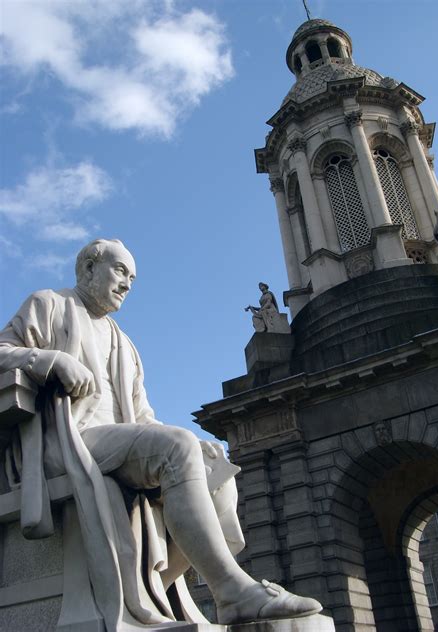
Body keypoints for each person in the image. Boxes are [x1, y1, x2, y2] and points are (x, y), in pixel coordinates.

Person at [0, 239, 322, 630]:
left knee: (218, 471)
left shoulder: (125, 344)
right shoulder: (48, 303)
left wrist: (191, 446)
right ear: (88, 269)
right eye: (120, 271)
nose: (127, 284)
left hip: (117, 444)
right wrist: (47, 358)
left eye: (132, 278)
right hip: (69, 441)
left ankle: (158, 583)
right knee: (178, 448)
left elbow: (144, 418)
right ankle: (230, 591)